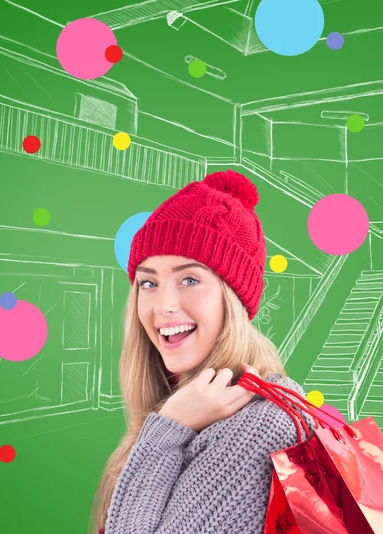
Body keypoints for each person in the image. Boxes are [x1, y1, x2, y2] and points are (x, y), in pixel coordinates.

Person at [89, 169, 316, 534]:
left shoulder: (259, 425)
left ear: (234, 299)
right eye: (149, 282)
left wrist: (168, 430)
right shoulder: (188, 405)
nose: (163, 305)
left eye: (190, 280)